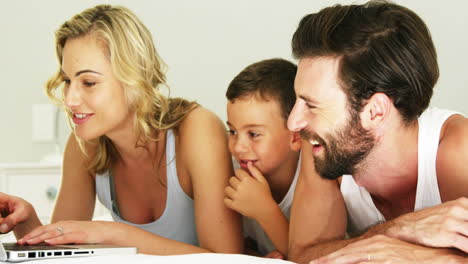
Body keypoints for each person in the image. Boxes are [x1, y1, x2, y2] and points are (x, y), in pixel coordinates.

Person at [0, 4, 243, 255]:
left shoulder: (196, 131)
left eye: (89, 82)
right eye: (67, 81)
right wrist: (26, 222)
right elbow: (63, 250)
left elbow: (227, 259)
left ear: (133, 78)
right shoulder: (85, 145)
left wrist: (112, 233)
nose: (70, 100)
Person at [286, 1, 468, 263]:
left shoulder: (458, 150)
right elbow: (303, 255)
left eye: (311, 105)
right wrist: (398, 231)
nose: (293, 122)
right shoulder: (322, 145)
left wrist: (418, 256)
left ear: (375, 112)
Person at [223, 58, 344, 259]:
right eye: (232, 131)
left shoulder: (317, 174)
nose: (238, 146)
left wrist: (265, 211)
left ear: (295, 136)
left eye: (253, 134)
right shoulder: (235, 173)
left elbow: (311, 256)